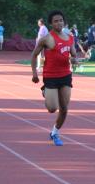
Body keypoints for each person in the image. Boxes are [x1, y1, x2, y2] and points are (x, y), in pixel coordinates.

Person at [31, 11, 78, 146]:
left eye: (61, 20)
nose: (59, 23)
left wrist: (74, 60)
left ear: (64, 22)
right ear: (51, 24)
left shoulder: (70, 37)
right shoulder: (46, 39)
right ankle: (45, 90)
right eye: (56, 21)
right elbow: (34, 55)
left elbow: (73, 54)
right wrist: (34, 74)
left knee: (64, 109)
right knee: (52, 108)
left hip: (65, 76)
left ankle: (55, 132)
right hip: (50, 76)